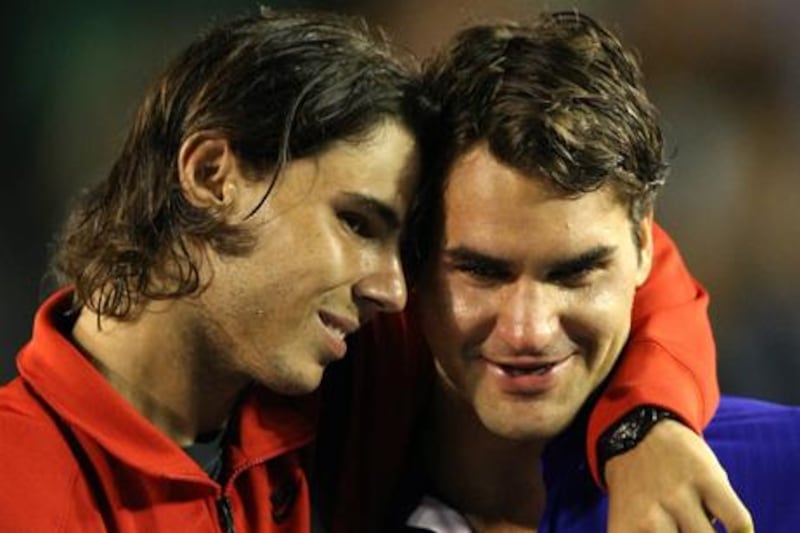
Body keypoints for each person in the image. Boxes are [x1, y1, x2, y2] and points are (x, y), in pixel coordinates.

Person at [0, 6, 744, 533]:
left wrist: (646, 426)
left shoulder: (347, 371)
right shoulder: (17, 479)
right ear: (211, 173)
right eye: (356, 222)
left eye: (402, 244)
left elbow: (618, 266)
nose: (392, 285)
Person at [365, 11, 796, 532]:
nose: (529, 331)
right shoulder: (310, 469)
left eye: (575, 274)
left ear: (643, 246)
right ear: (413, 257)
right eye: (481, 271)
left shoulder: (782, 471)